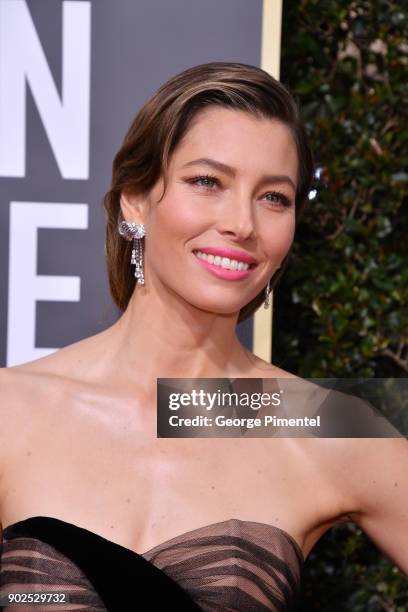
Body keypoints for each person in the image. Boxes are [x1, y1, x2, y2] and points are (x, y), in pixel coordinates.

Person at [0, 62, 407, 611]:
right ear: (136, 199)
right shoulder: (12, 410)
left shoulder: (323, 425)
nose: (242, 222)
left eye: (274, 197)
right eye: (208, 182)